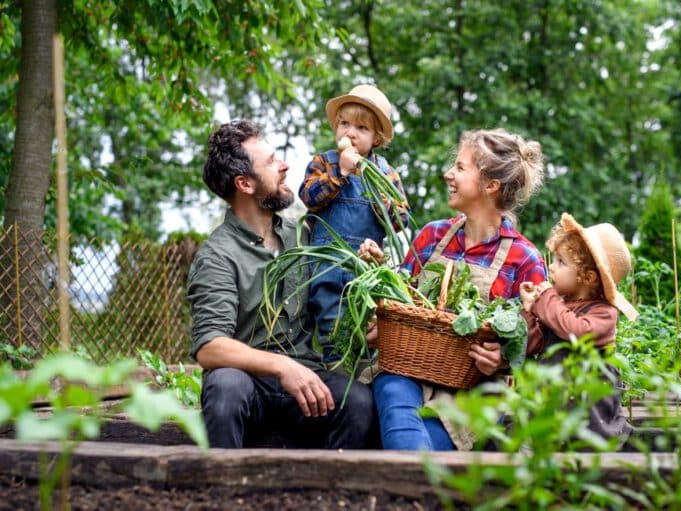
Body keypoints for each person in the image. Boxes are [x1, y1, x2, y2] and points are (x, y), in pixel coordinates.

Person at [187, 120, 375, 449]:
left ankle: (332, 497)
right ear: (244, 184)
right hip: (252, 386)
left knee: (357, 400)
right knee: (225, 386)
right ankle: (221, 493)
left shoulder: (304, 237)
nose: (285, 165)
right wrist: (281, 366)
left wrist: (360, 321)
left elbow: (333, 299)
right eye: (272, 161)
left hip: (306, 384)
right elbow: (210, 347)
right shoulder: (217, 255)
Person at [360, 128, 548, 451]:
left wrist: (504, 357)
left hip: (472, 391)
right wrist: (380, 287)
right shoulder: (432, 236)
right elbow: (399, 301)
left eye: (460, 168)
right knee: (392, 388)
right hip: (410, 370)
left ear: (490, 185)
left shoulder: (524, 258)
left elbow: (536, 343)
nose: (448, 174)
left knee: (420, 439)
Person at [299, 84, 409, 362]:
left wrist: (386, 205)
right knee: (332, 326)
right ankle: (336, 367)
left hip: (367, 267)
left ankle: (364, 370)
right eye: (345, 124)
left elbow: (401, 220)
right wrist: (342, 171)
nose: (350, 132)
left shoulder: (386, 173)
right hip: (328, 265)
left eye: (361, 128)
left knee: (367, 326)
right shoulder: (323, 163)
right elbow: (309, 197)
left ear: (377, 138)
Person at [519, 212, 639, 439]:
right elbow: (533, 344)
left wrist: (546, 300)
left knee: (587, 445)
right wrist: (530, 309)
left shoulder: (604, 313)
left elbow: (576, 332)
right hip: (553, 402)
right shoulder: (558, 306)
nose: (551, 268)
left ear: (588, 277)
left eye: (561, 262)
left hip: (589, 413)